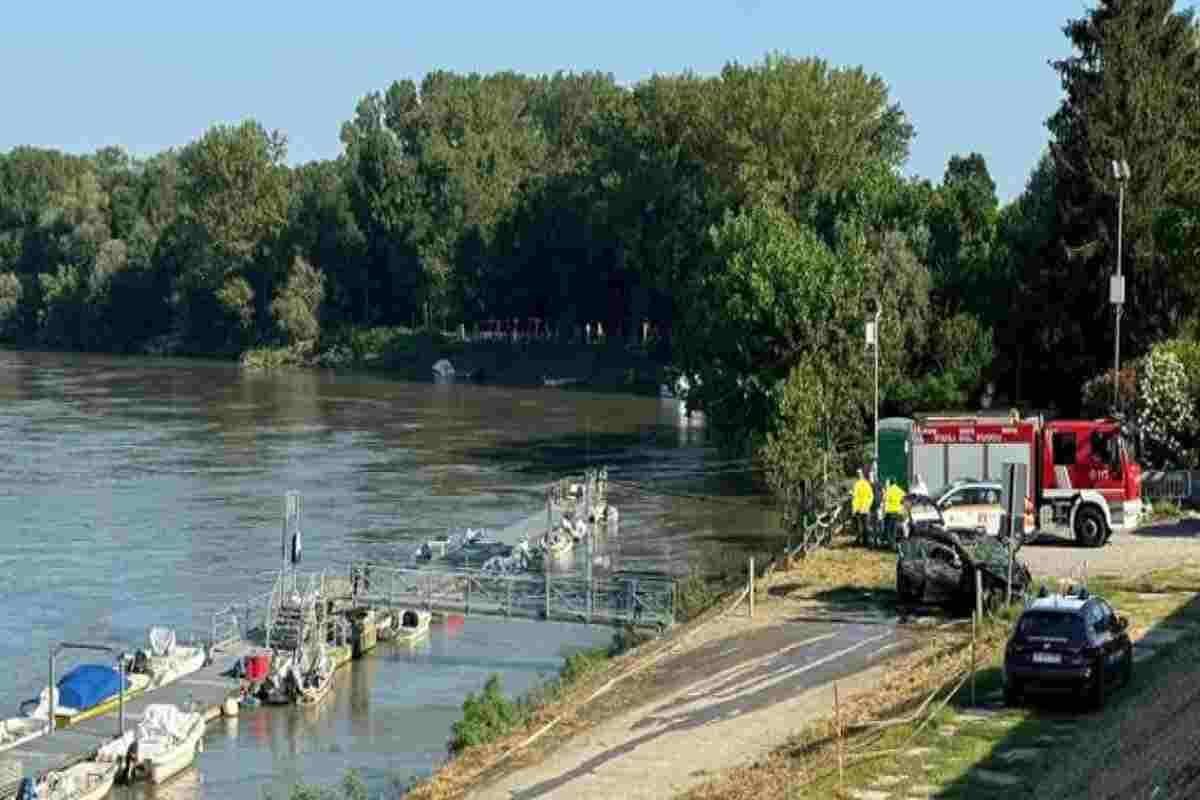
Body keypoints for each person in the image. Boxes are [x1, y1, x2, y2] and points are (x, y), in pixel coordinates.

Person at [852, 469, 874, 546]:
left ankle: (863, 541)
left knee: (861, 526)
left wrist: (856, 508)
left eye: (859, 474)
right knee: (863, 526)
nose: (858, 475)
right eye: (858, 474)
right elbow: (870, 496)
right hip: (862, 508)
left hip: (862, 508)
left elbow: (855, 497)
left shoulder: (861, 484)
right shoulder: (864, 484)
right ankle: (863, 541)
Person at [884, 479, 906, 547]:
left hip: (890, 512)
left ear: (890, 483)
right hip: (897, 512)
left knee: (888, 530)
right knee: (894, 529)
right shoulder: (899, 490)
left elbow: (885, 500)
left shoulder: (889, 490)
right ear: (896, 483)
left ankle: (891, 544)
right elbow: (905, 498)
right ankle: (893, 544)